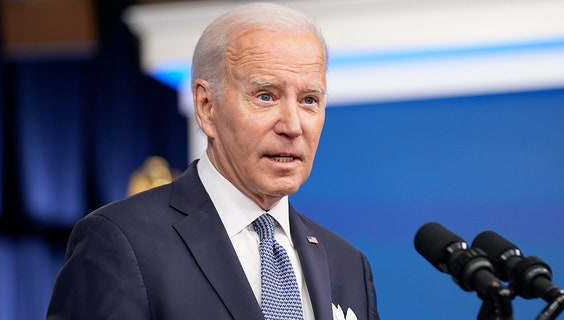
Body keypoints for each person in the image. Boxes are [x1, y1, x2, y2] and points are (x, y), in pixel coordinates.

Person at [47, 2, 379, 320]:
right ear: (207, 107)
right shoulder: (122, 243)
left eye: (309, 100)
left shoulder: (347, 265)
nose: (292, 126)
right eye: (266, 96)